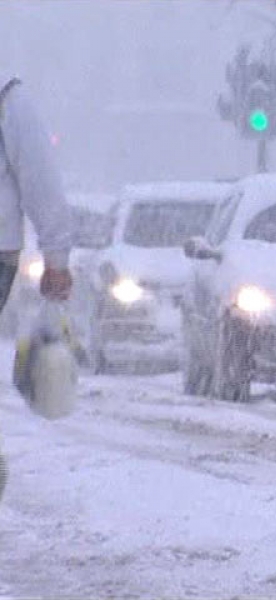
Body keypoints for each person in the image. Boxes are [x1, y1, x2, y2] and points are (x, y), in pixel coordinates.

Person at [0, 75, 73, 501]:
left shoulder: (8, 98)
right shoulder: (10, 99)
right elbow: (41, 178)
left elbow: (40, 179)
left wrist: (57, 256)